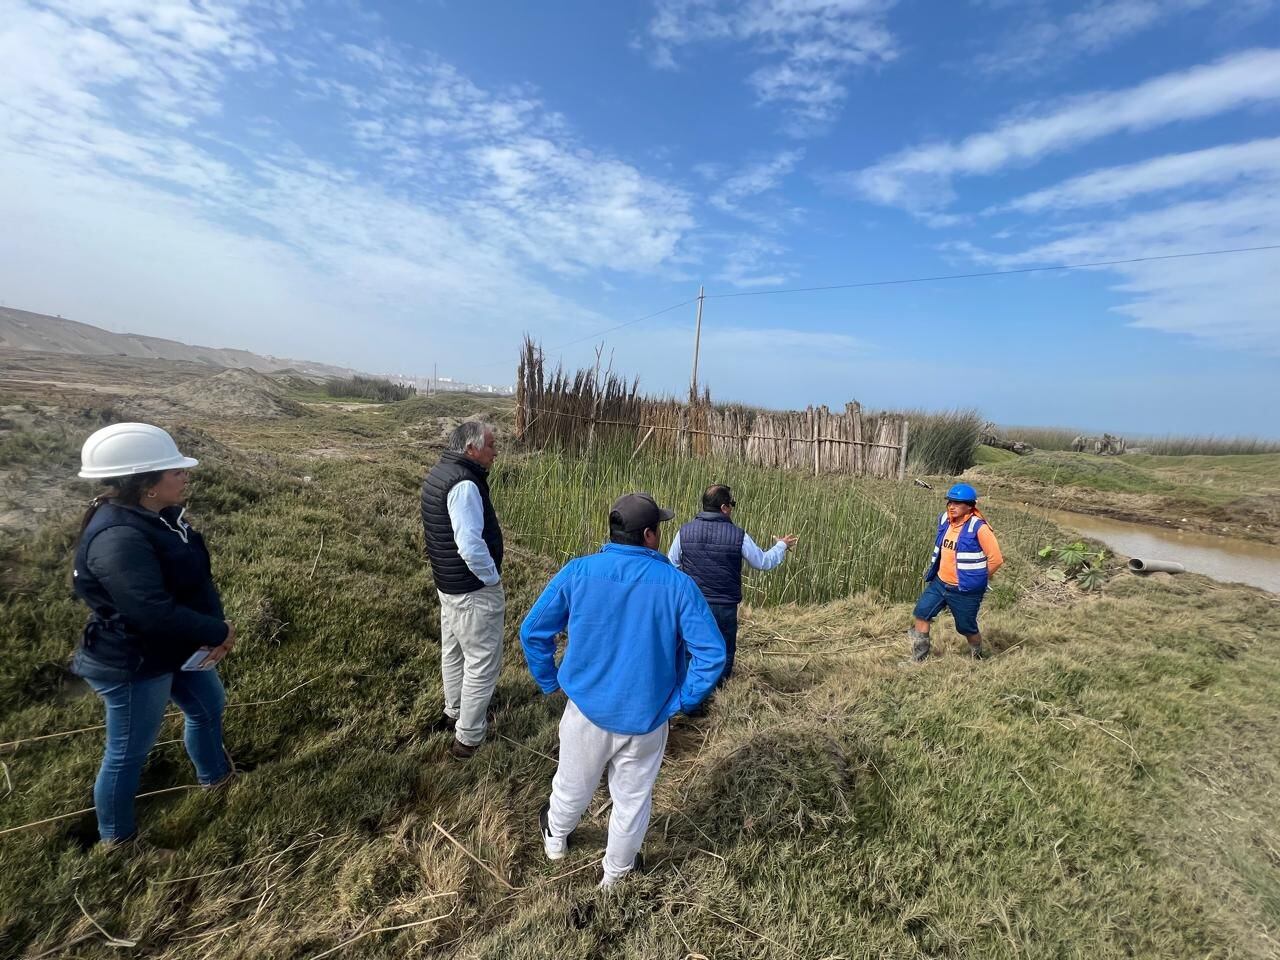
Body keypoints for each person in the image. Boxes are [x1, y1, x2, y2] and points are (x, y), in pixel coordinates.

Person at [520, 492, 725, 888]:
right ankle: (615, 876)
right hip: (647, 718)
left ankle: (556, 839)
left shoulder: (579, 572)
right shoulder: (678, 586)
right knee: (632, 802)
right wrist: (683, 699)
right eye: (658, 528)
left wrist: (549, 680)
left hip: (585, 712)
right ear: (649, 534)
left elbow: (533, 631)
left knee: (572, 785)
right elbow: (712, 654)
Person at [70, 423, 237, 848]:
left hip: (174, 647)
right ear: (146, 482)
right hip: (135, 661)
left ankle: (217, 779)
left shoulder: (155, 517)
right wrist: (217, 630)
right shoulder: (118, 538)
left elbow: (186, 585)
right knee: (127, 752)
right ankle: (118, 843)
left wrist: (210, 629)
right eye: (176, 471)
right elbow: (150, 611)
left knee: (208, 706)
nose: (185, 476)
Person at [420, 421, 505, 760]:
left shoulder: (441, 472)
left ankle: (454, 711)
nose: (495, 452)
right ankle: (467, 740)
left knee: (454, 652)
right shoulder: (465, 485)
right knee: (482, 662)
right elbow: (469, 545)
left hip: (449, 585)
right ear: (471, 449)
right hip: (471, 589)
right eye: (491, 445)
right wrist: (491, 578)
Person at [668, 483, 797, 683]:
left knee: (691, 651)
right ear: (724, 508)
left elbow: (671, 564)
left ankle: (691, 692)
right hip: (724, 606)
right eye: (732, 504)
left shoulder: (684, 532)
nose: (732, 508)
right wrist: (781, 546)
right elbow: (763, 562)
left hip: (693, 604)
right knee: (724, 651)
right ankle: (720, 691)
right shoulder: (738, 535)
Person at [908, 482, 1004, 662]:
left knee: (966, 628)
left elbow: (996, 559)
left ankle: (977, 656)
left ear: (970, 506)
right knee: (922, 613)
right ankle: (918, 659)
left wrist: (979, 579)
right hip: (940, 583)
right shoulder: (945, 520)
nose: (952, 506)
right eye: (950, 502)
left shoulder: (979, 528)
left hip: (964, 590)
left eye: (957, 503)